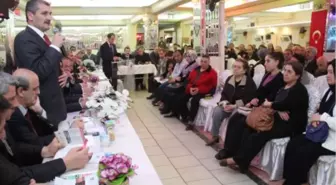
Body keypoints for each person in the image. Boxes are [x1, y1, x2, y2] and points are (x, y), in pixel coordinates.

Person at [0, 72, 91, 185]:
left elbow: (15, 148)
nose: (16, 103)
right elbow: (15, 175)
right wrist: (65, 163)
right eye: (12, 98)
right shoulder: (11, 115)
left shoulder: (15, 111)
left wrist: (45, 151)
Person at [220, 62, 309, 173]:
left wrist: (273, 106)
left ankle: (238, 160)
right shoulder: (284, 86)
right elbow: (278, 103)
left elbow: (287, 104)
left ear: (297, 76)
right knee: (248, 127)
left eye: (289, 72)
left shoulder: (299, 90)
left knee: (261, 133)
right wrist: (277, 108)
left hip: (291, 123)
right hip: (276, 117)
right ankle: (242, 162)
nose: (285, 74)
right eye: (284, 70)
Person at [215, 52, 285, 160]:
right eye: (265, 61)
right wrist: (254, 100)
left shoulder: (280, 78)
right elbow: (259, 92)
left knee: (239, 120)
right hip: (257, 105)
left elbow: (275, 97)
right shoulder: (267, 75)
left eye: (268, 61)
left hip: (266, 109)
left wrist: (255, 101)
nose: (265, 63)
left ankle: (234, 152)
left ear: (277, 62)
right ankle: (228, 149)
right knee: (235, 119)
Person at [14, 0, 67, 127]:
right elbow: (37, 72)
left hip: (55, 107)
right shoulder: (24, 38)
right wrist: (54, 47)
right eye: (44, 13)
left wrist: (62, 74)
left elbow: (50, 66)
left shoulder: (43, 38)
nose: (49, 18)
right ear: (30, 16)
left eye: (50, 13)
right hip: (42, 111)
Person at [283, 59, 336, 185]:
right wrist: (316, 118)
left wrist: (322, 118)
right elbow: (321, 112)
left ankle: (292, 182)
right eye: (327, 72)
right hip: (321, 133)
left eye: (331, 72)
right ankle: (294, 179)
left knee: (304, 152)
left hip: (332, 139)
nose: (327, 76)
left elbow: (325, 117)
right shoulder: (329, 91)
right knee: (294, 143)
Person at [206, 59, 257, 146]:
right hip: (228, 105)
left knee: (235, 117)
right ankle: (215, 136)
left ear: (244, 70)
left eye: (239, 67)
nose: (235, 69)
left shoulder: (249, 82)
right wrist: (225, 103)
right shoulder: (230, 79)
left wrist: (234, 106)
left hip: (240, 108)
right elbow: (224, 94)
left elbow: (248, 99)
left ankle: (231, 142)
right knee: (217, 111)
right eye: (234, 66)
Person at [7, 69, 56, 148]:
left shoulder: (28, 106)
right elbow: (35, 142)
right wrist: (64, 134)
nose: (38, 92)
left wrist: (40, 111)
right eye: (34, 89)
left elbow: (49, 130)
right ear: (21, 91)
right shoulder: (13, 115)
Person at [181, 55, 218, 130]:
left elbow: (213, 87)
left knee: (195, 100)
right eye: (202, 61)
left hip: (205, 92)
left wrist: (199, 90)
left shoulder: (212, 73)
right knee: (182, 98)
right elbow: (187, 81)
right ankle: (185, 116)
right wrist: (190, 88)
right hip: (192, 89)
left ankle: (191, 121)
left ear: (209, 62)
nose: (203, 63)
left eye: (205, 62)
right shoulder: (195, 70)